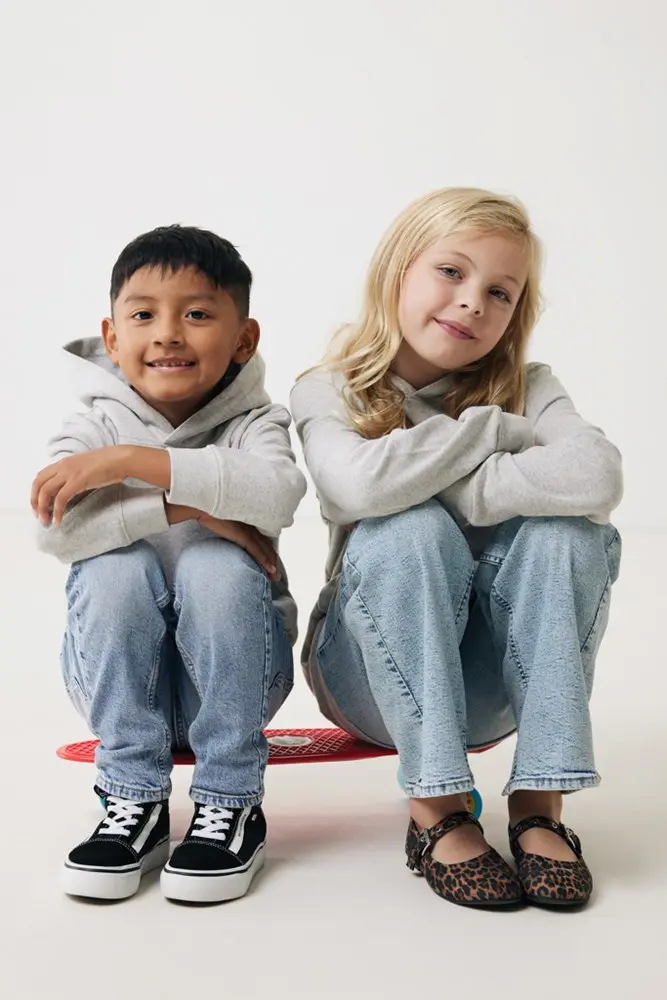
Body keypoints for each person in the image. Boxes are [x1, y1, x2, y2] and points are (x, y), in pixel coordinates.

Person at [290, 188, 622, 910]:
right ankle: (436, 807)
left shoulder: (531, 386)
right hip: (368, 677)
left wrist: (450, 483)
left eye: (500, 292)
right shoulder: (331, 388)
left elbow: (598, 477)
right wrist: (493, 432)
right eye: (451, 271)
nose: (472, 301)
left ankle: (540, 803)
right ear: (398, 271)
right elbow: (355, 486)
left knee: (568, 532)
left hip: (497, 683)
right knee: (405, 528)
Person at [33, 225, 307, 903]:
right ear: (112, 337)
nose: (167, 335)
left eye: (198, 314)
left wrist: (131, 465)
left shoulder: (255, 423)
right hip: (119, 690)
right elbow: (56, 535)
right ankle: (133, 799)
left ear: (244, 339)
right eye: (143, 315)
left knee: (217, 567)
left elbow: (278, 493)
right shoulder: (91, 427)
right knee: (110, 568)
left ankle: (230, 802)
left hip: (240, 684)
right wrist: (186, 507)